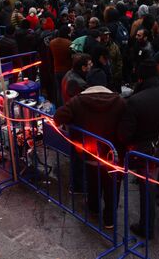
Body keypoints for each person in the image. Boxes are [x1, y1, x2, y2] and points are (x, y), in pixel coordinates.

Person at [119, 60, 159, 239]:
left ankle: (147, 227)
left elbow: (124, 134)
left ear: (140, 79)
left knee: (148, 190)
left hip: (148, 152)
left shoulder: (136, 101)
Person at [54, 85, 126, 228]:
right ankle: (109, 220)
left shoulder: (77, 102)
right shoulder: (120, 102)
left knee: (93, 180)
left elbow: (58, 117)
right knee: (112, 187)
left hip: (89, 153)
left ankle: (93, 208)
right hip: (113, 155)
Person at [50, 25, 73, 105]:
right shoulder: (69, 43)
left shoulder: (52, 43)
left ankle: (59, 106)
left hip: (56, 69)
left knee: (59, 89)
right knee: (66, 90)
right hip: (67, 69)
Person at [100, 27, 123, 92]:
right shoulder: (98, 46)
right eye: (105, 35)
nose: (107, 36)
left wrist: (117, 74)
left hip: (113, 76)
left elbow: (119, 60)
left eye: (108, 34)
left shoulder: (114, 46)